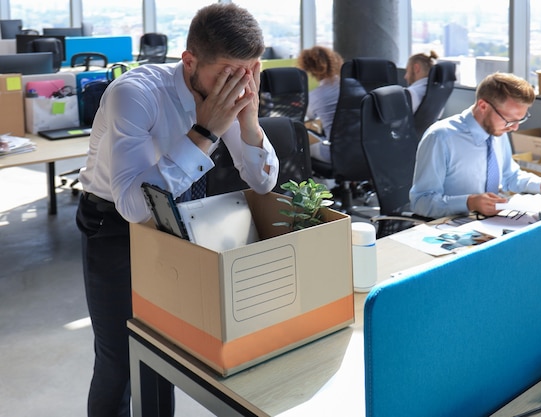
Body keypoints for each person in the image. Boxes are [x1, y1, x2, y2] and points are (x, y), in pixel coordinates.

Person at [75, 4, 279, 416]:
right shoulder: (135, 94)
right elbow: (134, 205)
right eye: (225, 73)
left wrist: (250, 123)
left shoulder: (235, 93)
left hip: (180, 218)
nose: (237, 85)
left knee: (164, 354)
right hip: (112, 224)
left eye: (247, 72)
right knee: (120, 360)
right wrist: (205, 132)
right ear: (189, 61)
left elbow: (262, 182)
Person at [409, 72, 541, 219]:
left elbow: (509, 175)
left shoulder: (498, 130)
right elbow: (421, 202)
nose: (514, 128)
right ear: (483, 106)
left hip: (491, 223)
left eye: (520, 120)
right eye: (510, 120)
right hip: (452, 225)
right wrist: (470, 202)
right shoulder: (441, 138)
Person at [296, 45, 343, 163]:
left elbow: (306, 118)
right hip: (364, 150)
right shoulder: (353, 87)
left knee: (301, 148)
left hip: (334, 152)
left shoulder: (315, 96)